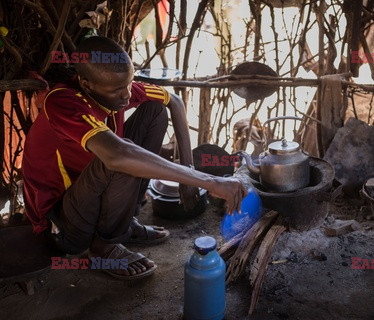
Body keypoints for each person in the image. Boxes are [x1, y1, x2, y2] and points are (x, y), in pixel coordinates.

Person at [22, 36, 247, 280]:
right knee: (120, 154)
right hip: (64, 225)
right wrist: (207, 181)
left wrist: (187, 170)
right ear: (86, 84)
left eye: (129, 83)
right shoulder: (62, 102)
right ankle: (104, 247)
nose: (128, 94)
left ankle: (123, 223)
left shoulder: (115, 88)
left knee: (155, 112)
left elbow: (175, 101)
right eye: (118, 90)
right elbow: (118, 155)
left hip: (91, 198)